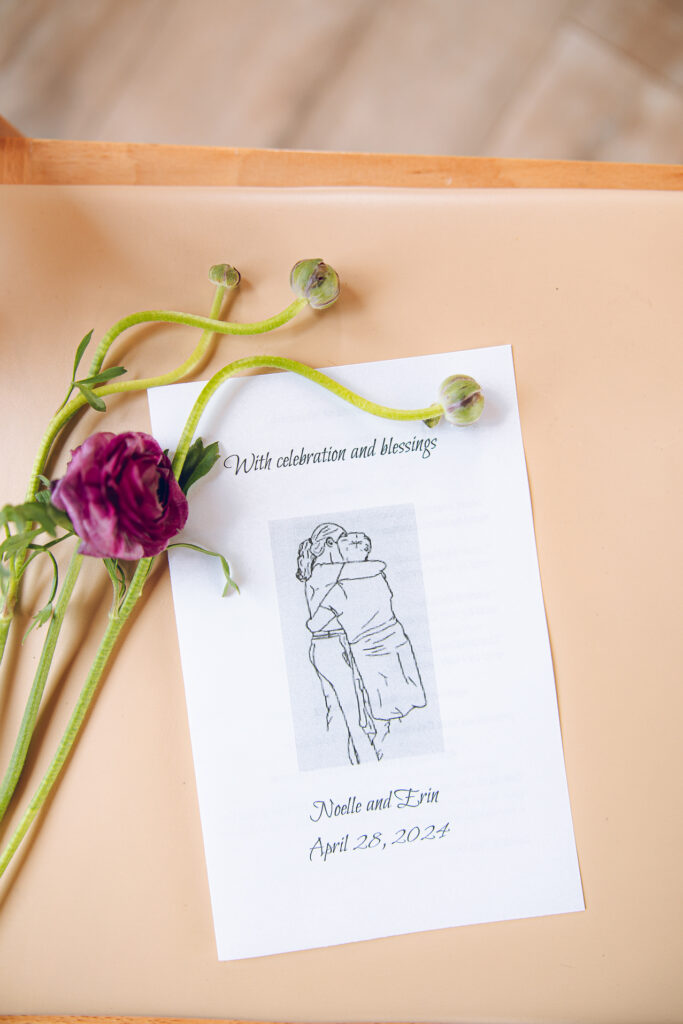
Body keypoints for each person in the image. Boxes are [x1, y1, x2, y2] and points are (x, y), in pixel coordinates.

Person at [306, 532, 426, 748]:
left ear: (343, 552)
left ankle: (382, 746)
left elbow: (314, 624)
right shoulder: (379, 576)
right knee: (401, 699)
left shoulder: (339, 590)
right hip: (397, 642)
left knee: (380, 706)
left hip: (370, 651)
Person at [296, 523, 384, 765]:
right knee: (353, 713)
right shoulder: (327, 570)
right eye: (343, 541)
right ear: (329, 544)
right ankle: (369, 763)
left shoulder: (318, 570)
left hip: (324, 647)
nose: (347, 547)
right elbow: (369, 568)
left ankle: (341, 764)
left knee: (336, 710)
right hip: (332, 647)